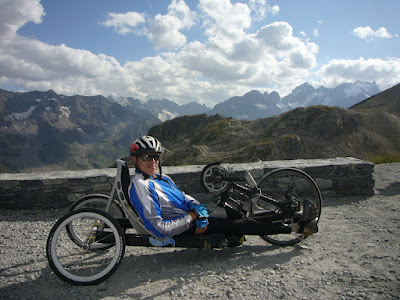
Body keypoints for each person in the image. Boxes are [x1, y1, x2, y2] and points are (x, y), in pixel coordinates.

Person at [128, 135, 318, 243]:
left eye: (155, 157)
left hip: (195, 217)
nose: (152, 162)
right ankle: (296, 227)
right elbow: (159, 230)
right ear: (135, 160)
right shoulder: (141, 187)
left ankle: (291, 216)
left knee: (237, 216)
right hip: (186, 227)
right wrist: (193, 217)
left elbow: (182, 196)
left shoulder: (161, 178)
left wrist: (198, 209)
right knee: (239, 225)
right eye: (146, 157)